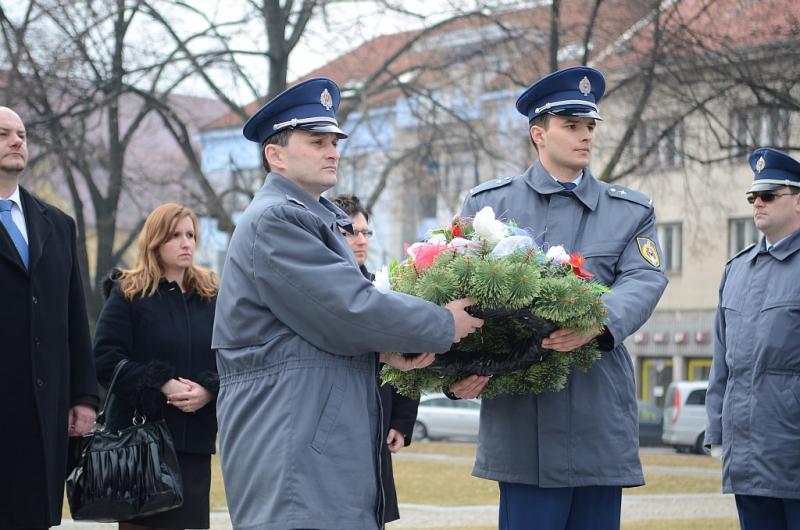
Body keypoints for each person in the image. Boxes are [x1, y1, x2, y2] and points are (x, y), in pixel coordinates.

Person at [212, 77, 483, 530]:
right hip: (292, 441)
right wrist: (442, 322)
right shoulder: (277, 219)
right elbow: (348, 309)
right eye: (316, 141)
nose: (332, 152)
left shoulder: (308, 218)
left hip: (307, 437)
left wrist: (383, 352)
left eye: (334, 142)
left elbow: (313, 331)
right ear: (275, 155)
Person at [449, 67, 668, 530]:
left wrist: (599, 320)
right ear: (539, 134)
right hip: (521, 417)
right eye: (571, 126)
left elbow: (644, 279)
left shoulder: (629, 210)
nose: (585, 136)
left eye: (589, 126)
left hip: (596, 408)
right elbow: (454, 292)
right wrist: (457, 374)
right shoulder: (490, 206)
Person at [0, 106, 98, 529]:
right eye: (3, 134)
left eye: (21, 134)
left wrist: (84, 396)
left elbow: (75, 317)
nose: (16, 141)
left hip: (43, 413)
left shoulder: (58, 225)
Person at [94, 203, 219, 530]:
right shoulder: (128, 292)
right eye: (175, 235)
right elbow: (105, 359)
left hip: (193, 445)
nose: (186, 243)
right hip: (140, 444)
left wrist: (209, 390)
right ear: (155, 241)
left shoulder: (210, 295)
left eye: (190, 235)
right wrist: (161, 382)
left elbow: (231, 360)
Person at [705, 147, 800, 530]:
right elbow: (722, 363)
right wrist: (717, 432)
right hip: (747, 456)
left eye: (769, 195)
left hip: (791, 448)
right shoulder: (737, 270)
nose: (757, 203)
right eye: (753, 197)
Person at [331, 193, 420, 524]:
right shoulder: (320, 291)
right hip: (332, 430)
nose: (361, 240)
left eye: (366, 232)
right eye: (352, 232)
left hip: (376, 428)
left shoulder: (382, 289)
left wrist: (402, 420)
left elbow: (407, 356)